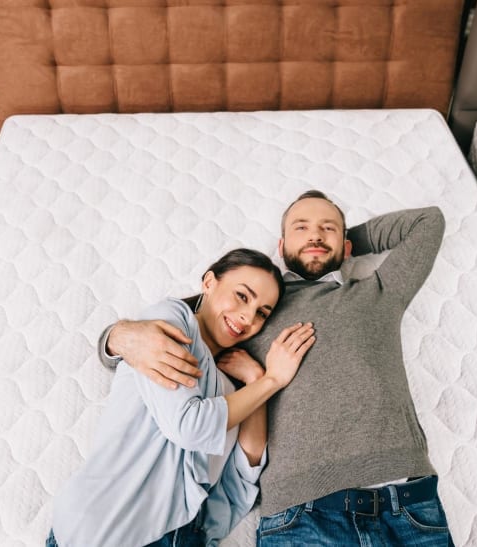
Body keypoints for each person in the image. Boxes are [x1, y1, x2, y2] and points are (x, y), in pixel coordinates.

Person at [99, 190, 451, 546]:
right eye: (302, 228)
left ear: (346, 247)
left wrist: (342, 241)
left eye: (327, 228)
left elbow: (428, 222)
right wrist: (117, 338)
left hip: (406, 500)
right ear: (281, 247)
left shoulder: (377, 294)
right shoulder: (255, 309)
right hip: (301, 511)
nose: (315, 235)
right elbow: (181, 326)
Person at [51, 249, 316, 547]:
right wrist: (272, 380)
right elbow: (189, 426)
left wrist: (255, 379)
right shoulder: (171, 320)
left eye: (262, 312)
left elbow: (245, 471)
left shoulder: (233, 391)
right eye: (242, 296)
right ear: (209, 282)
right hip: (103, 528)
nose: (247, 317)